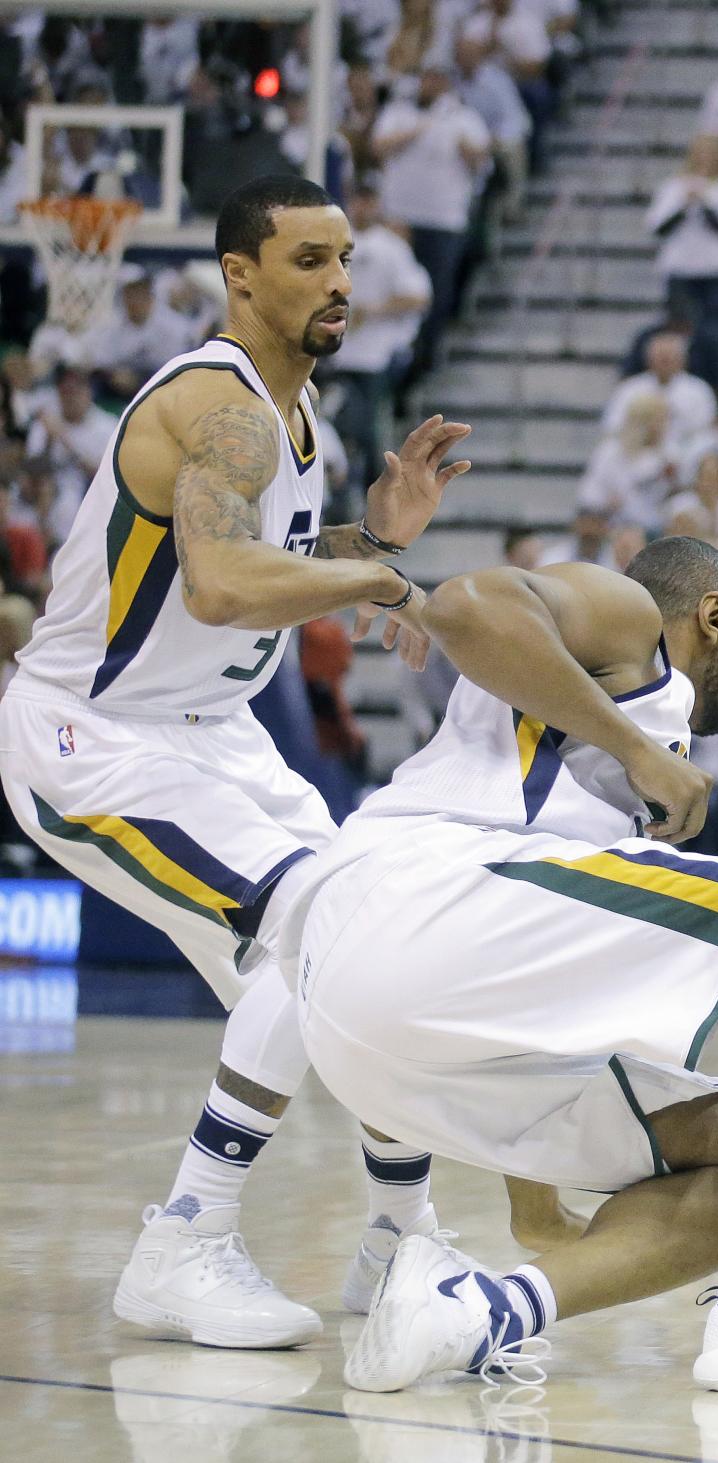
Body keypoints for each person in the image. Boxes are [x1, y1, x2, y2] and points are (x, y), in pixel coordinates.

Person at [0, 176, 560, 1350]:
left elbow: (258, 551)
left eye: (345, 258)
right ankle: (183, 1240)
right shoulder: (225, 407)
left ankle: (399, 1240)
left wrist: (375, 537)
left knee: (372, 940)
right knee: (318, 924)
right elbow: (220, 583)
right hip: (97, 737)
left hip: (214, 735)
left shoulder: (301, 423)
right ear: (239, 276)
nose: (340, 282)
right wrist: (380, 578)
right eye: (309, 260)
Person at [285, 536, 718, 1392]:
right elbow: (463, 604)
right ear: (713, 616)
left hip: (385, 1036)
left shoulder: (605, 736)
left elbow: (538, 971)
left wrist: (536, 1202)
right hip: (412, 899)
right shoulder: (629, 615)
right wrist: (637, 750)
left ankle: (479, 1311)